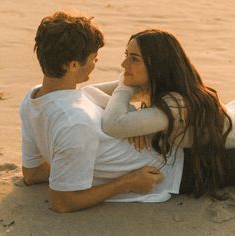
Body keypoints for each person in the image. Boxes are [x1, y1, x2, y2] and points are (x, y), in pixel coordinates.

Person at [20, 13, 188, 213]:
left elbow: (32, 173)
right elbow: (63, 202)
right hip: (180, 167)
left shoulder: (33, 99)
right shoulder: (74, 122)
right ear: (73, 65)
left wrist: (134, 121)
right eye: (93, 58)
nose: (95, 62)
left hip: (171, 144)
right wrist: (127, 182)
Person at [100, 29, 235, 199]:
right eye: (126, 55)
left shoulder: (176, 104)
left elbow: (113, 125)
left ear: (157, 65)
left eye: (134, 59)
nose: (124, 65)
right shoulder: (156, 85)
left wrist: (125, 88)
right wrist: (132, 111)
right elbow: (87, 93)